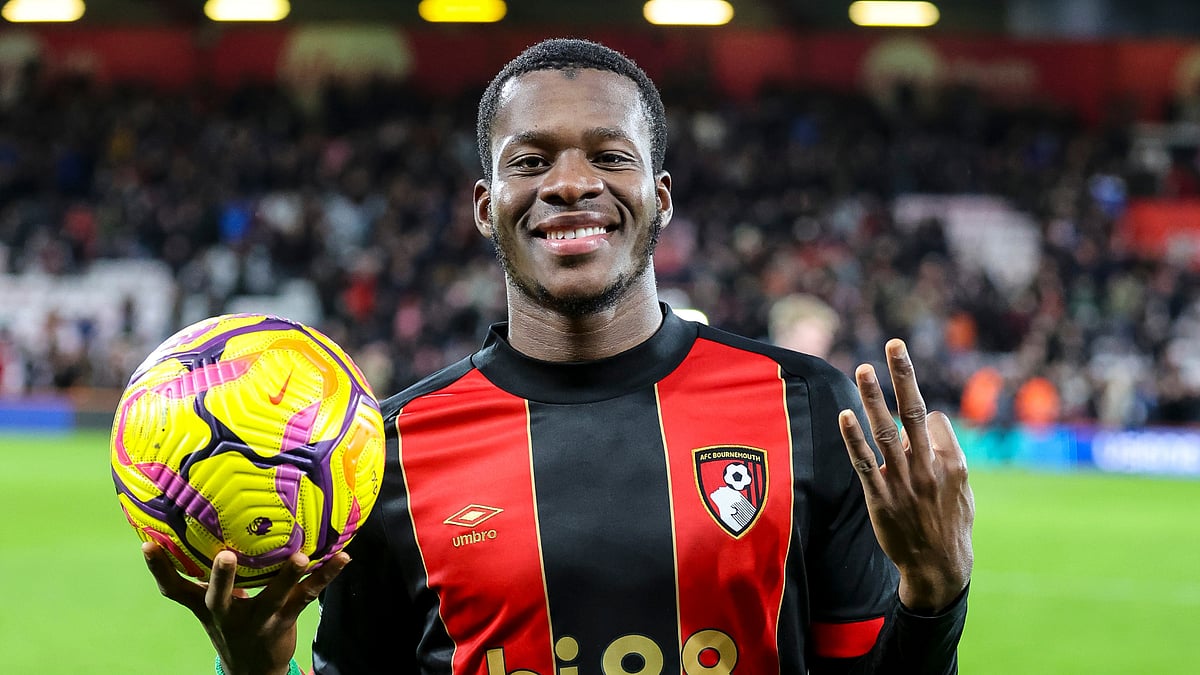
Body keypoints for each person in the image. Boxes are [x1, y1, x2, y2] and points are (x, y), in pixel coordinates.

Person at [144, 38, 974, 674]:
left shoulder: (804, 410)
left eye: (610, 155)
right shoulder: (381, 455)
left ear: (661, 194)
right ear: (485, 204)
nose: (570, 183)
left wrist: (934, 598)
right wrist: (253, 668)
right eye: (530, 160)